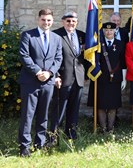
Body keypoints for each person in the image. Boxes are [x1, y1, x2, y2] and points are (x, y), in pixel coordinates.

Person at [18, 8, 62, 157]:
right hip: (30, 81)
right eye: (43, 19)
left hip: (47, 82)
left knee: (43, 115)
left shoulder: (56, 38)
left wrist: (49, 73)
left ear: (52, 21)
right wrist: (38, 72)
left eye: (49, 20)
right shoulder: (28, 35)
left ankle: (40, 144)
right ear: (38, 19)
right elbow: (24, 56)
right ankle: (24, 147)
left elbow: (58, 59)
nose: (46, 22)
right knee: (27, 115)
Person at [49, 11, 86, 145]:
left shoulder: (82, 35)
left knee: (74, 109)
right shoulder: (56, 35)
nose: (71, 23)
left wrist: (85, 74)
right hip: (63, 78)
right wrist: (56, 76)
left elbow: (85, 56)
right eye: (68, 21)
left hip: (78, 78)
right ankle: (53, 138)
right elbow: (52, 58)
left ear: (77, 22)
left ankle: (71, 135)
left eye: (73, 21)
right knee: (59, 110)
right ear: (63, 21)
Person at [87, 22, 126, 132]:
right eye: (106, 30)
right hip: (100, 79)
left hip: (115, 79)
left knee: (113, 105)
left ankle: (110, 128)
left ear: (115, 31)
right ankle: (103, 128)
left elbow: (123, 62)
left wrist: (124, 78)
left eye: (111, 30)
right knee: (101, 104)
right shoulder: (97, 44)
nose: (109, 32)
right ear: (103, 31)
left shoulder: (120, 44)